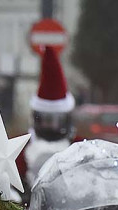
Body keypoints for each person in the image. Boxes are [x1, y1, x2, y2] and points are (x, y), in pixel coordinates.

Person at [19, 46, 75, 187]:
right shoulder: (18, 148)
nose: (51, 126)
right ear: (35, 119)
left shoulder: (79, 148)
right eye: (46, 120)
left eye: (56, 120)